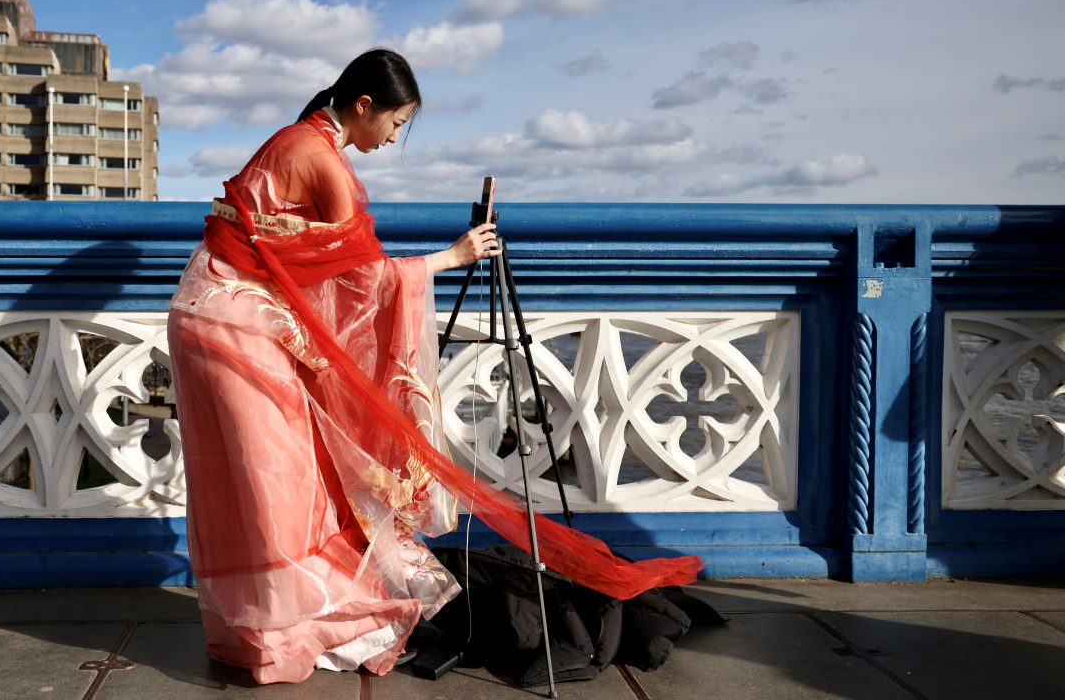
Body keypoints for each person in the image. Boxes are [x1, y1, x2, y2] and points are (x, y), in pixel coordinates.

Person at [168, 48, 702, 685]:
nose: (395, 138)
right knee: (281, 485)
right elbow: (363, 281)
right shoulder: (322, 161)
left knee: (250, 484)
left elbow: (306, 266)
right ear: (363, 105)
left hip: (205, 313)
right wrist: (453, 256)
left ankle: (259, 637)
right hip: (237, 330)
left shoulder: (294, 140)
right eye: (396, 123)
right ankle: (286, 638)